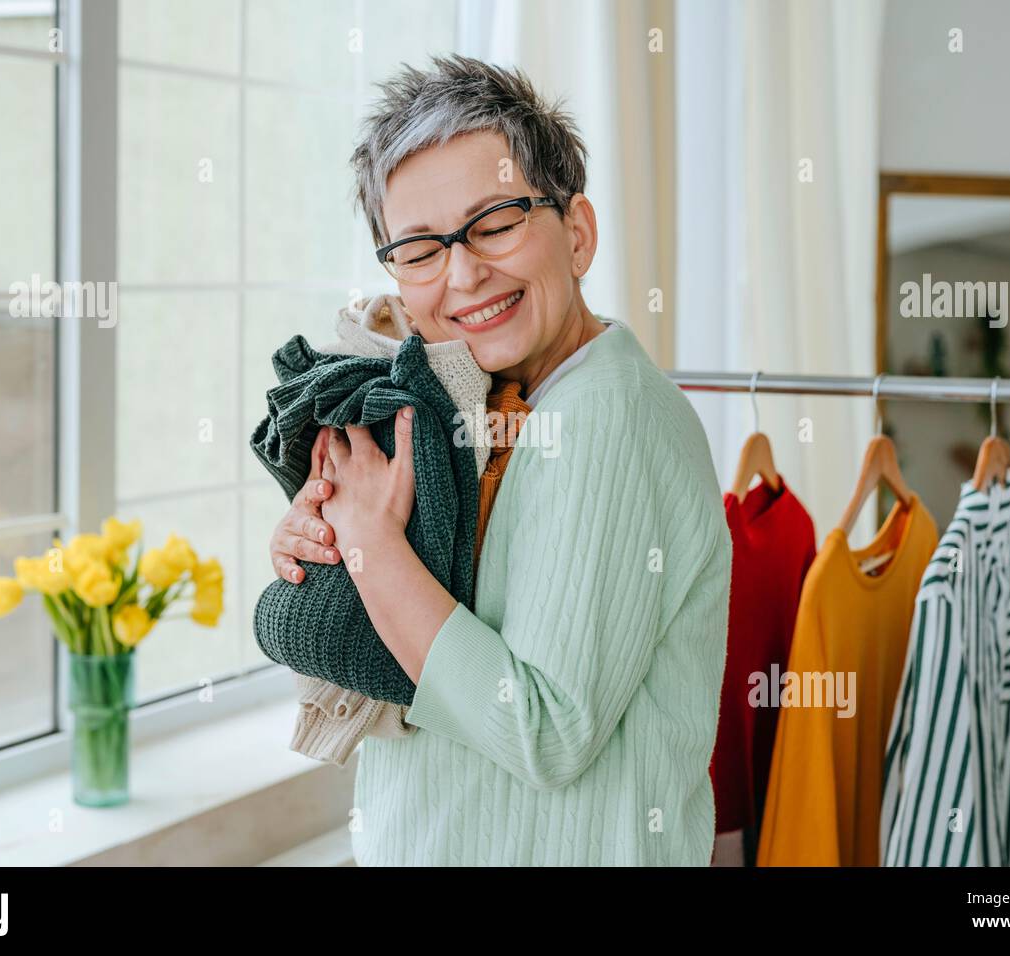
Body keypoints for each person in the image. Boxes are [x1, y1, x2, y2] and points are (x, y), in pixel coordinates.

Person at [267, 53, 730, 866]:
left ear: (576, 233)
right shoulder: (470, 413)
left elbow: (542, 729)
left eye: (497, 223)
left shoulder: (606, 414)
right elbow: (423, 642)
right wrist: (327, 545)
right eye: (420, 249)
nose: (464, 271)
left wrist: (374, 551)